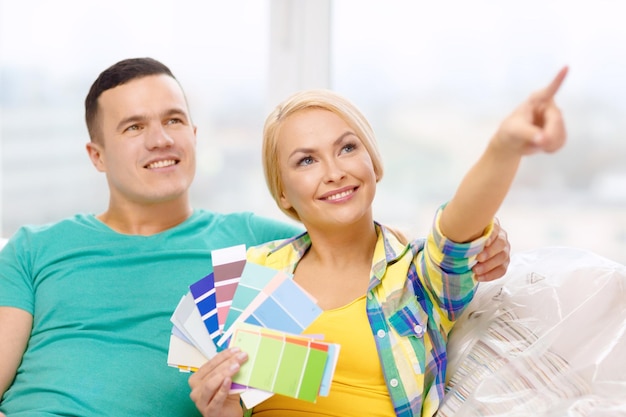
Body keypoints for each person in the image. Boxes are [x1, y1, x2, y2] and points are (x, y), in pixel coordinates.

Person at [0, 58, 510, 417]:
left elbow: (360, 236)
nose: (160, 138)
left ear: (194, 136)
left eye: (174, 119)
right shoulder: (31, 249)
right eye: (134, 127)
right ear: (96, 155)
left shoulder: (247, 249)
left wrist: (479, 238)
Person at [188, 67, 568, 417]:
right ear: (283, 193)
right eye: (307, 161)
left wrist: (505, 146)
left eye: (348, 148)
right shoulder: (252, 273)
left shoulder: (417, 279)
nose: (335, 172)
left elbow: (457, 230)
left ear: (374, 163)